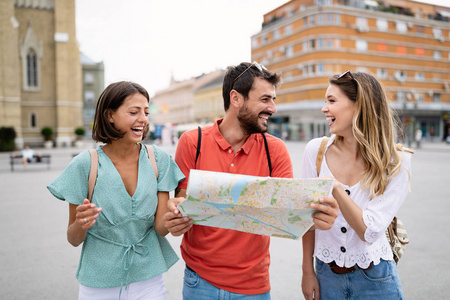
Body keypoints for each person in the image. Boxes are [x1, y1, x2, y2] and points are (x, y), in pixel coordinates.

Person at [164, 62, 339, 299]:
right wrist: (175, 217)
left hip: (253, 287)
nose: (273, 108)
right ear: (236, 98)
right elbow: (182, 206)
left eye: (273, 99)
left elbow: (289, 214)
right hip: (199, 282)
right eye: (265, 99)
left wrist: (317, 218)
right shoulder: (191, 142)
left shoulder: (274, 150)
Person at [47, 81, 185, 299]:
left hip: (149, 278)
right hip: (98, 284)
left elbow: (160, 228)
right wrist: (81, 223)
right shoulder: (85, 164)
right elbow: (73, 239)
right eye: (134, 112)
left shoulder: (158, 159)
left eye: (146, 112)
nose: (143, 119)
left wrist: (174, 214)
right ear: (110, 115)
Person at [301, 71, 413, 300]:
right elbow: (306, 221)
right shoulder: (315, 152)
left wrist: (333, 187)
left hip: (377, 280)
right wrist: (307, 271)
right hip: (326, 277)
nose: (324, 108)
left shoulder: (397, 162)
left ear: (359, 106)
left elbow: (369, 231)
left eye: (331, 101)